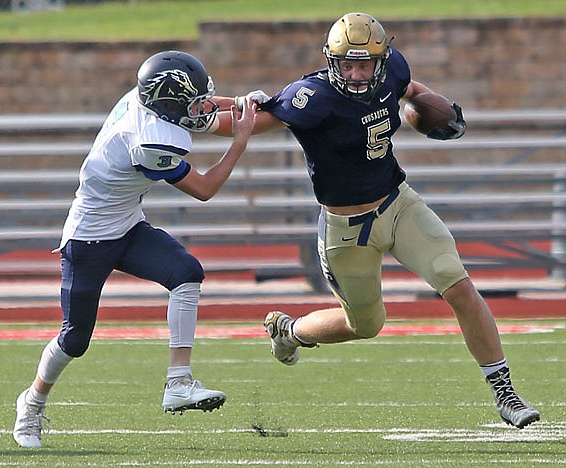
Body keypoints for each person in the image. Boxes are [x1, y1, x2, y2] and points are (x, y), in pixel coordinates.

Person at [213, 12, 540, 429]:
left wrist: (426, 106)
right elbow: (250, 122)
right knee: (365, 324)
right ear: (332, 61)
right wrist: (201, 120)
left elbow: (411, 89)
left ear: (381, 61)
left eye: (364, 64)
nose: (354, 73)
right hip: (346, 230)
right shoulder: (312, 97)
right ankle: (291, 331)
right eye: (346, 64)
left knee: (456, 282)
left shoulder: (393, 71)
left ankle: (505, 393)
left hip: (398, 204)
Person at [13, 50, 257, 448]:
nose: (200, 106)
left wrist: (239, 101)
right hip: (89, 238)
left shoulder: (146, 97)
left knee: (186, 273)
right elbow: (205, 189)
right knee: (75, 339)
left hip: (126, 225)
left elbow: (198, 110)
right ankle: (32, 403)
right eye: (192, 100)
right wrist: (240, 140)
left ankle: (178, 382)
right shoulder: (148, 140)